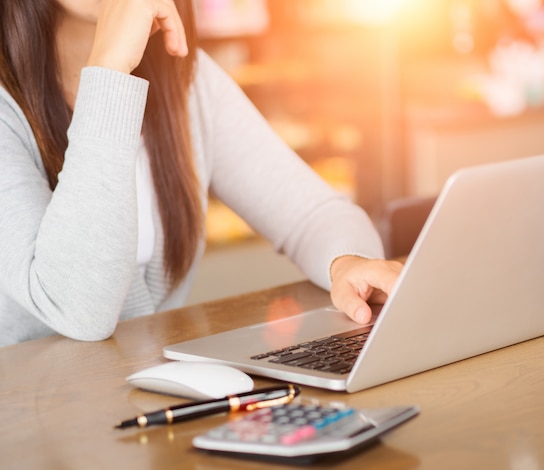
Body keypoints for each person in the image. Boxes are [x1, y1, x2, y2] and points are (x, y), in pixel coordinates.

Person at [0, 0, 403, 347]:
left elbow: (312, 214)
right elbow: (80, 312)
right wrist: (109, 71)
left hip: (148, 404)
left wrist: (347, 262)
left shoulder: (186, 79)